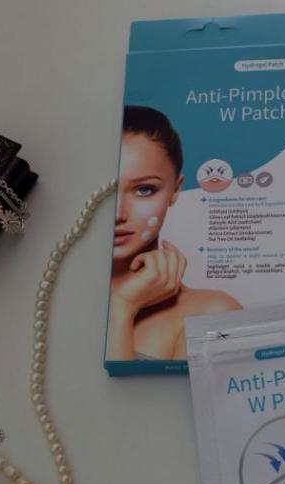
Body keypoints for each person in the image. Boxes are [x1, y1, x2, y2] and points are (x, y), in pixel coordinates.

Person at [107, 105, 241, 360]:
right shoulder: (55, 295)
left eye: (144, 190)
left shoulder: (210, 313)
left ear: (176, 190)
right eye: (109, 191)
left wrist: (122, 308)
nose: (118, 214)